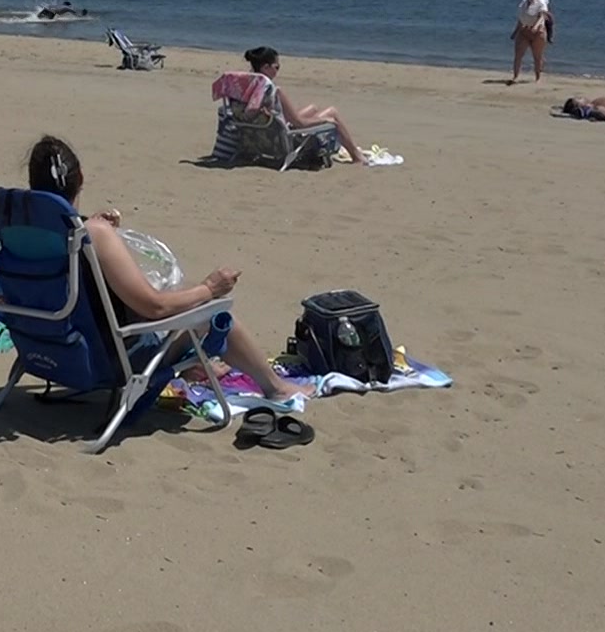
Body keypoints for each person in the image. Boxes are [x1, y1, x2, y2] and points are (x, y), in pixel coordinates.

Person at [25, 134, 310, 404]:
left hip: (44, 351)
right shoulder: (93, 234)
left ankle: (195, 365)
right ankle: (277, 388)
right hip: (103, 363)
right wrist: (210, 288)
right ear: (81, 179)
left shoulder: (25, 232)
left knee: (156, 299)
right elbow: (155, 308)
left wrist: (89, 228)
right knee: (215, 313)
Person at [243, 46, 373, 164]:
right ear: (265, 67)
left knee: (313, 108)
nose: (278, 70)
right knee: (332, 113)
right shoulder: (274, 91)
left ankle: (354, 150)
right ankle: (356, 155)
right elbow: (299, 123)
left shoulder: (247, 87)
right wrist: (327, 121)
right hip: (280, 137)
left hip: (262, 133)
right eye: (276, 67)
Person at [510, 0, 552, 83]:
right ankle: (515, 76)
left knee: (537, 56)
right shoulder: (523, 4)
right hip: (524, 30)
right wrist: (515, 32)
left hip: (538, 32)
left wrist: (536, 27)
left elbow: (542, 17)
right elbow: (520, 19)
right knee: (518, 55)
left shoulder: (541, 3)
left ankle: (538, 78)